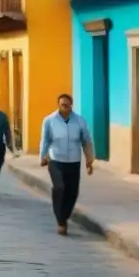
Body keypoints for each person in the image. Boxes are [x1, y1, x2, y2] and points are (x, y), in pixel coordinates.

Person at [39, 93, 95, 235]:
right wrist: (43, 156)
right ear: (58, 104)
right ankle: (61, 221)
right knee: (59, 187)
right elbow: (45, 140)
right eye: (62, 104)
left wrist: (89, 160)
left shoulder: (80, 121)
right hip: (56, 160)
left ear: (71, 105)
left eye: (67, 104)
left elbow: (86, 140)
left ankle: (64, 216)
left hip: (74, 161)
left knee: (72, 192)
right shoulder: (49, 120)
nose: (64, 106)